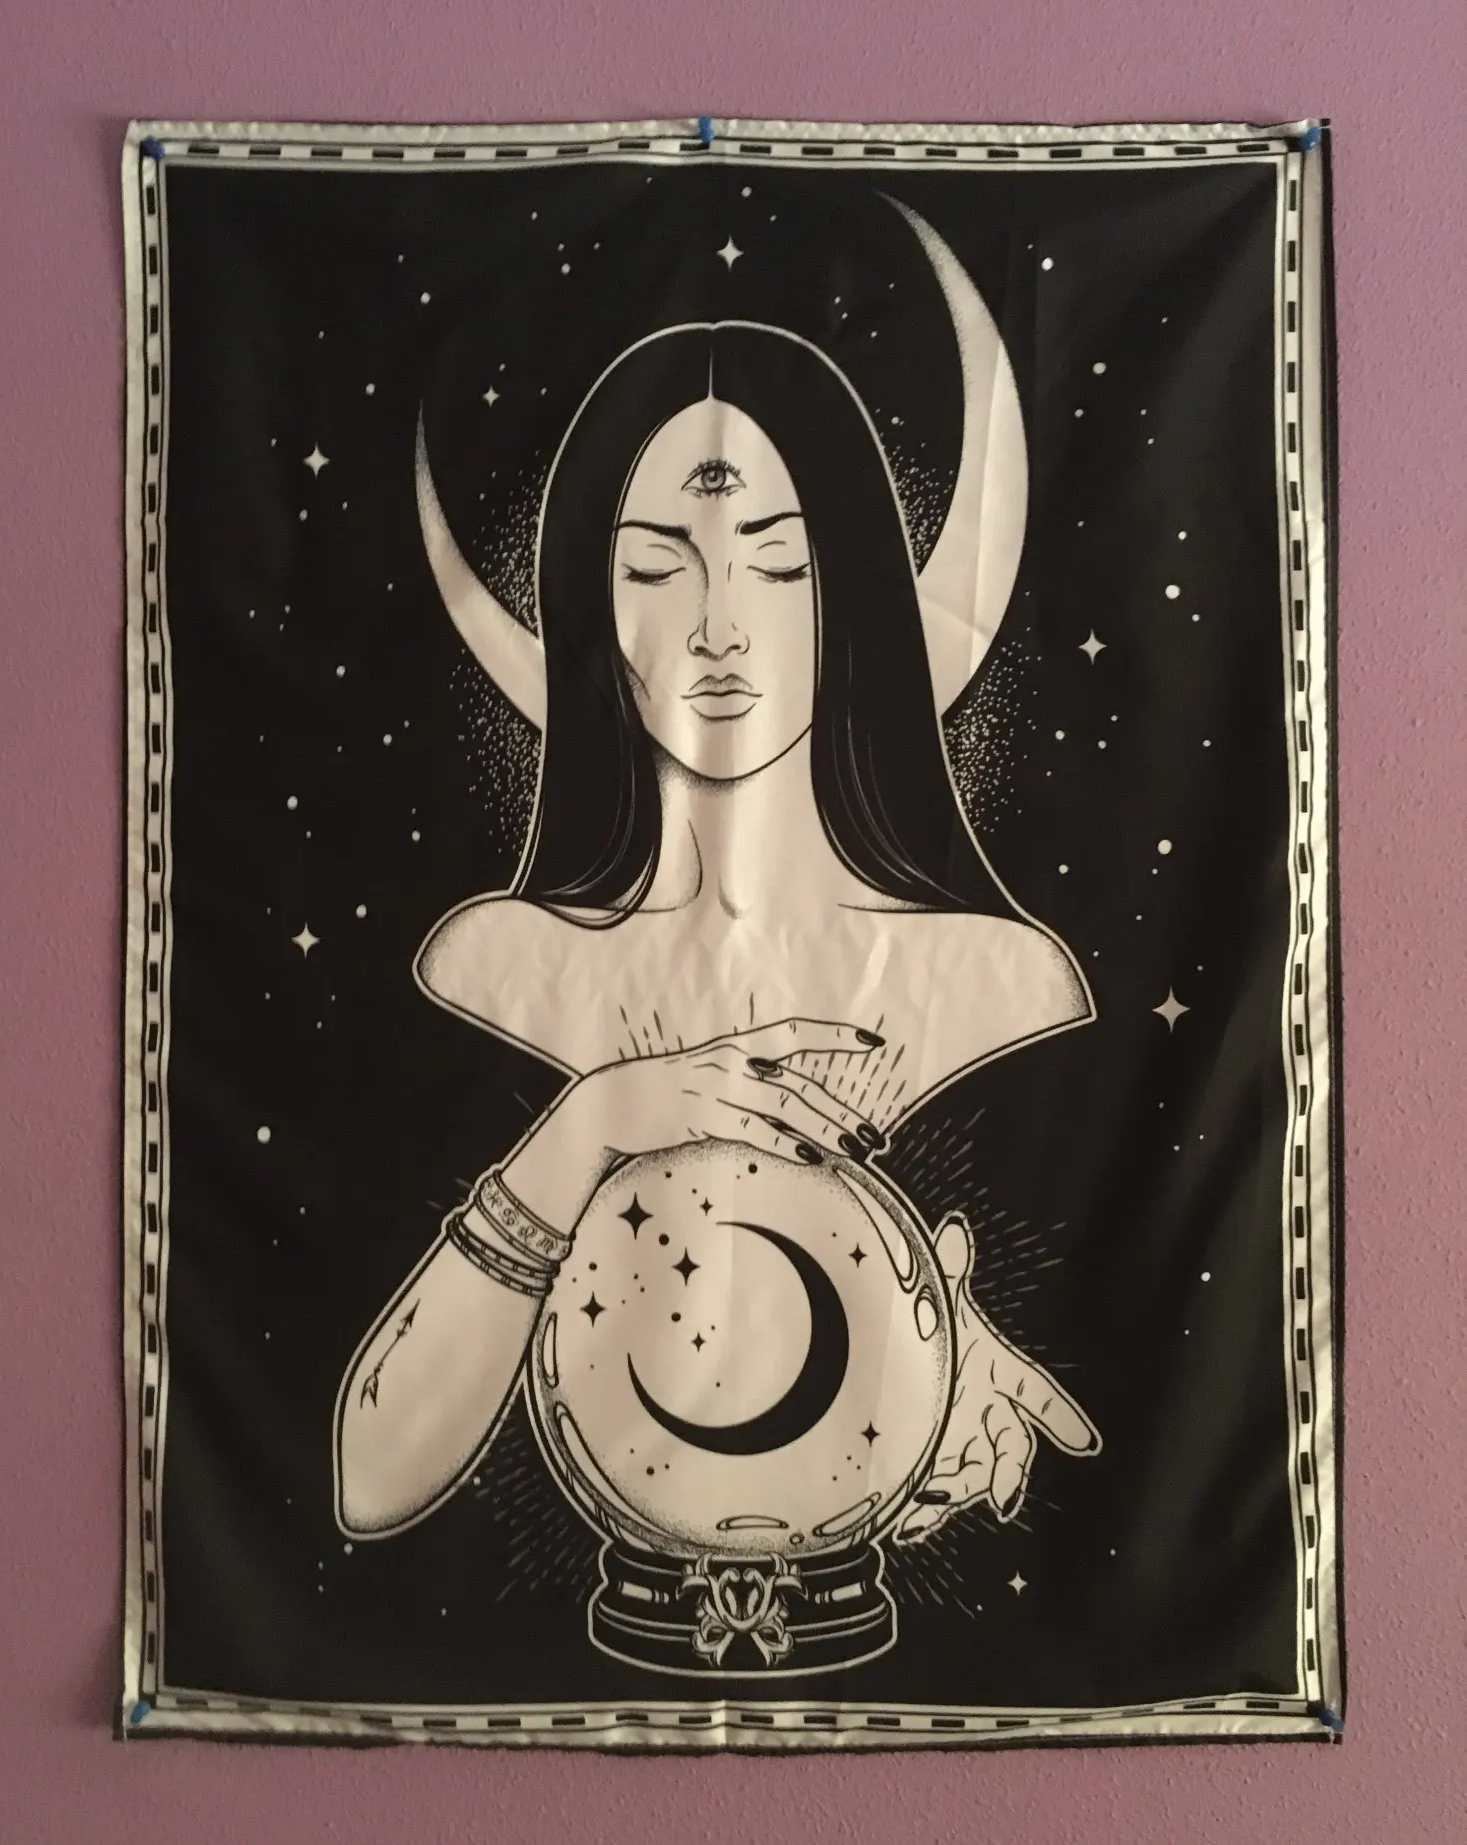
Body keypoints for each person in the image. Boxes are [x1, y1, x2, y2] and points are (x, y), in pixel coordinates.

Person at [334, 323, 1098, 1546]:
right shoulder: (492, 968)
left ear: (853, 593)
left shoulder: (1008, 987)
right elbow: (369, 1482)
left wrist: (929, 1379)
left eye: (778, 563)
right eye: (655, 568)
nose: (718, 627)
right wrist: (590, 1124)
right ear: (585, 603)